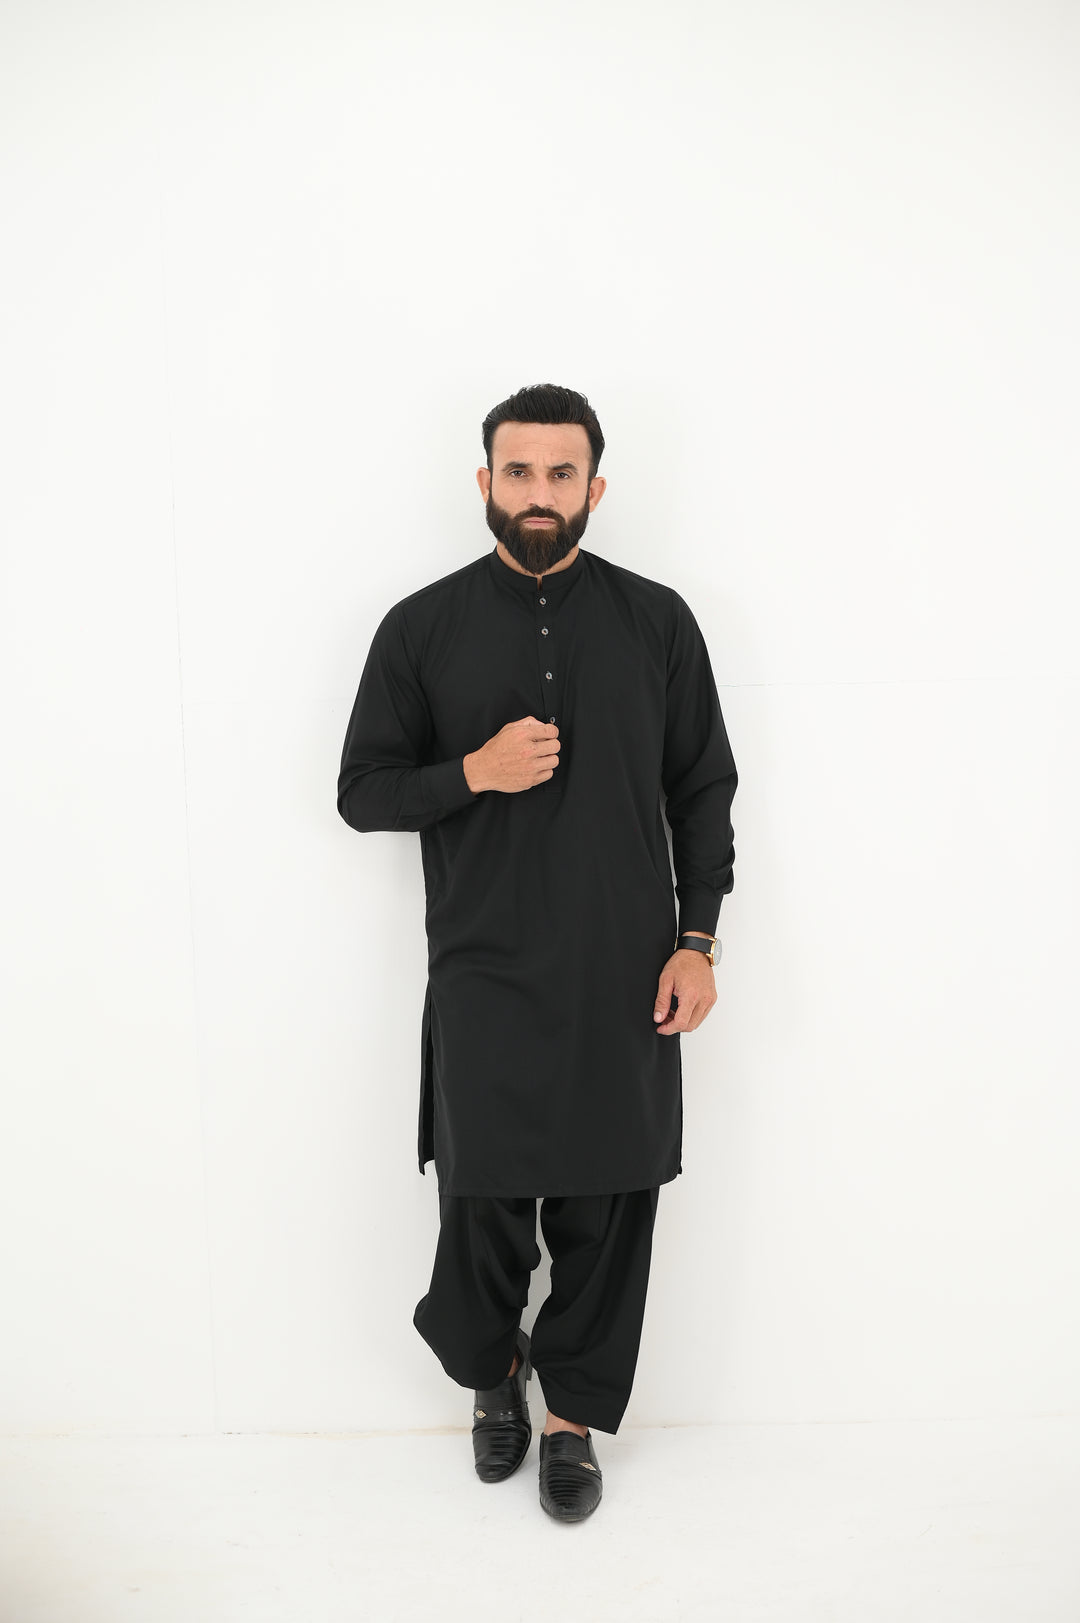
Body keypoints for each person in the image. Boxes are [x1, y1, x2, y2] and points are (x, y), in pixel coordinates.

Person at [337, 383, 737, 1522]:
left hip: (626, 971)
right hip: (485, 969)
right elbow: (362, 791)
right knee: (482, 1208)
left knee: (609, 1206)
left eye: (563, 473)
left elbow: (703, 787)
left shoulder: (657, 622)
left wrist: (698, 941)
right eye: (519, 472)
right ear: (485, 483)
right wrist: (474, 771)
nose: (540, 493)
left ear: (595, 487)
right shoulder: (421, 628)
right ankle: (492, 1368)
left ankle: (572, 1420)